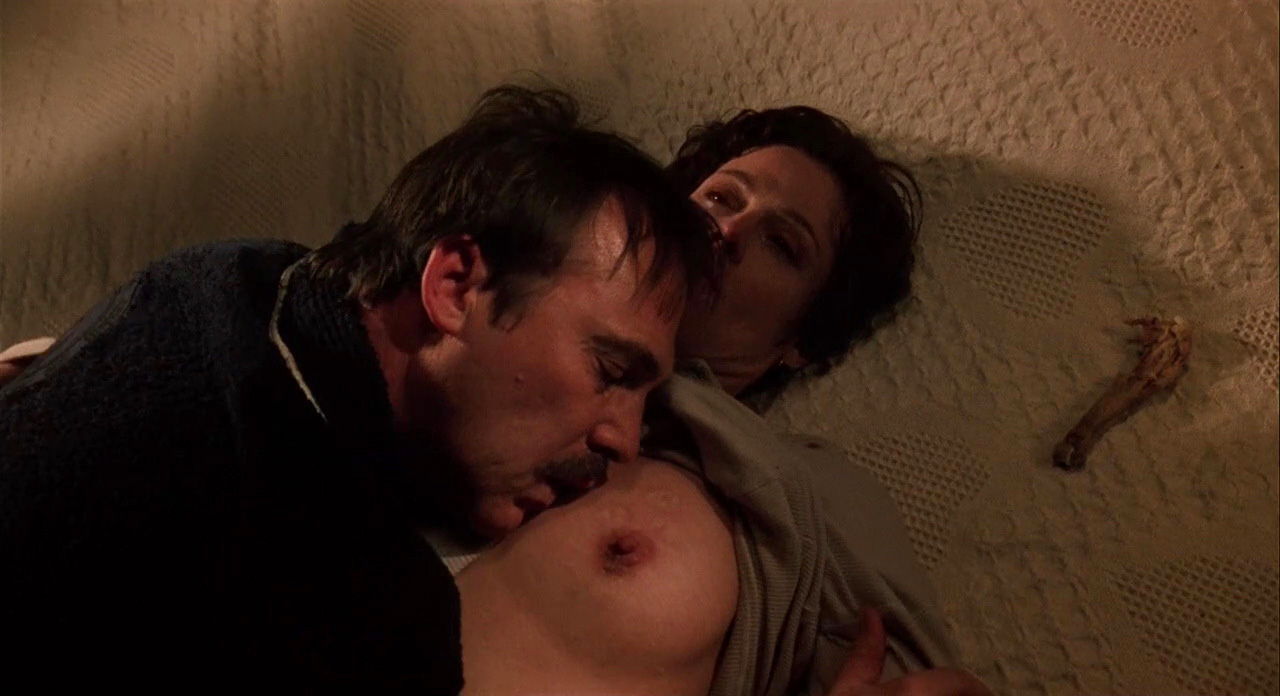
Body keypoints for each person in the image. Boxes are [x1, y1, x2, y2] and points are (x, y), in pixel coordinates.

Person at [0, 86, 713, 692]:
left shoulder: (234, 273)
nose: (623, 439)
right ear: (455, 286)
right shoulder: (365, 615)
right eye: (610, 372)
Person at [443, 106, 992, 695]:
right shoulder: (492, 322)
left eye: (781, 244)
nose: (726, 233)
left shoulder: (808, 484)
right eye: (720, 198)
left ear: (801, 341)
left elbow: (929, 682)